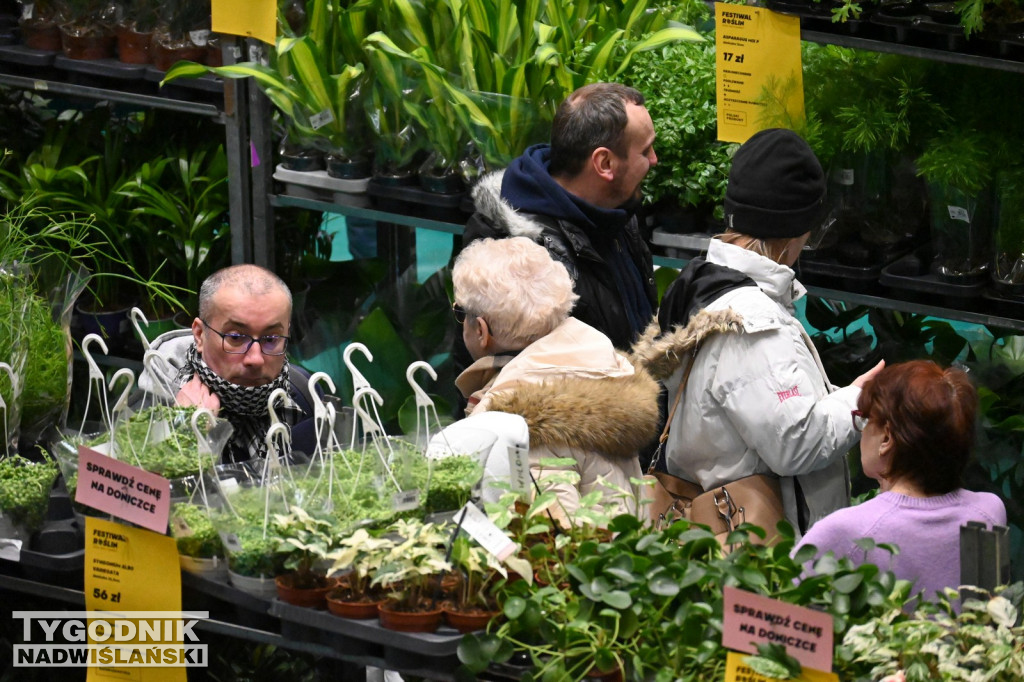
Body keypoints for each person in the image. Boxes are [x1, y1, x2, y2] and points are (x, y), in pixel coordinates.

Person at [630, 128, 885, 537]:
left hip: (713, 527)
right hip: (757, 549)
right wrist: (859, 400)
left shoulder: (703, 283)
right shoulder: (751, 321)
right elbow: (794, 442)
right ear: (797, 227)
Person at [452, 236, 661, 521]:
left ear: (482, 331)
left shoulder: (522, 420)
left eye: (460, 312)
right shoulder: (600, 364)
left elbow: (556, 542)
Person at [462, 82, 659, 353]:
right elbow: (493, 379)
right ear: (604, 163)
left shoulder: (617, 211)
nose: (654, 159)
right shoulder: (513, 251)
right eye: (646, 150)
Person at [793, 360, 1007, 601]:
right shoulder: (989, 513)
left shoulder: (844, 531)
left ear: (886, 439)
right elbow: (988, 619)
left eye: (864, 420)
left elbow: (781, 613)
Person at [138, 264, 318, 463]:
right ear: (199, 335)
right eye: (235, 337)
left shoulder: (303, 393)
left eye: (271, 339)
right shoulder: (148, 413)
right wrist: (182, 432)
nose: (255, 359)